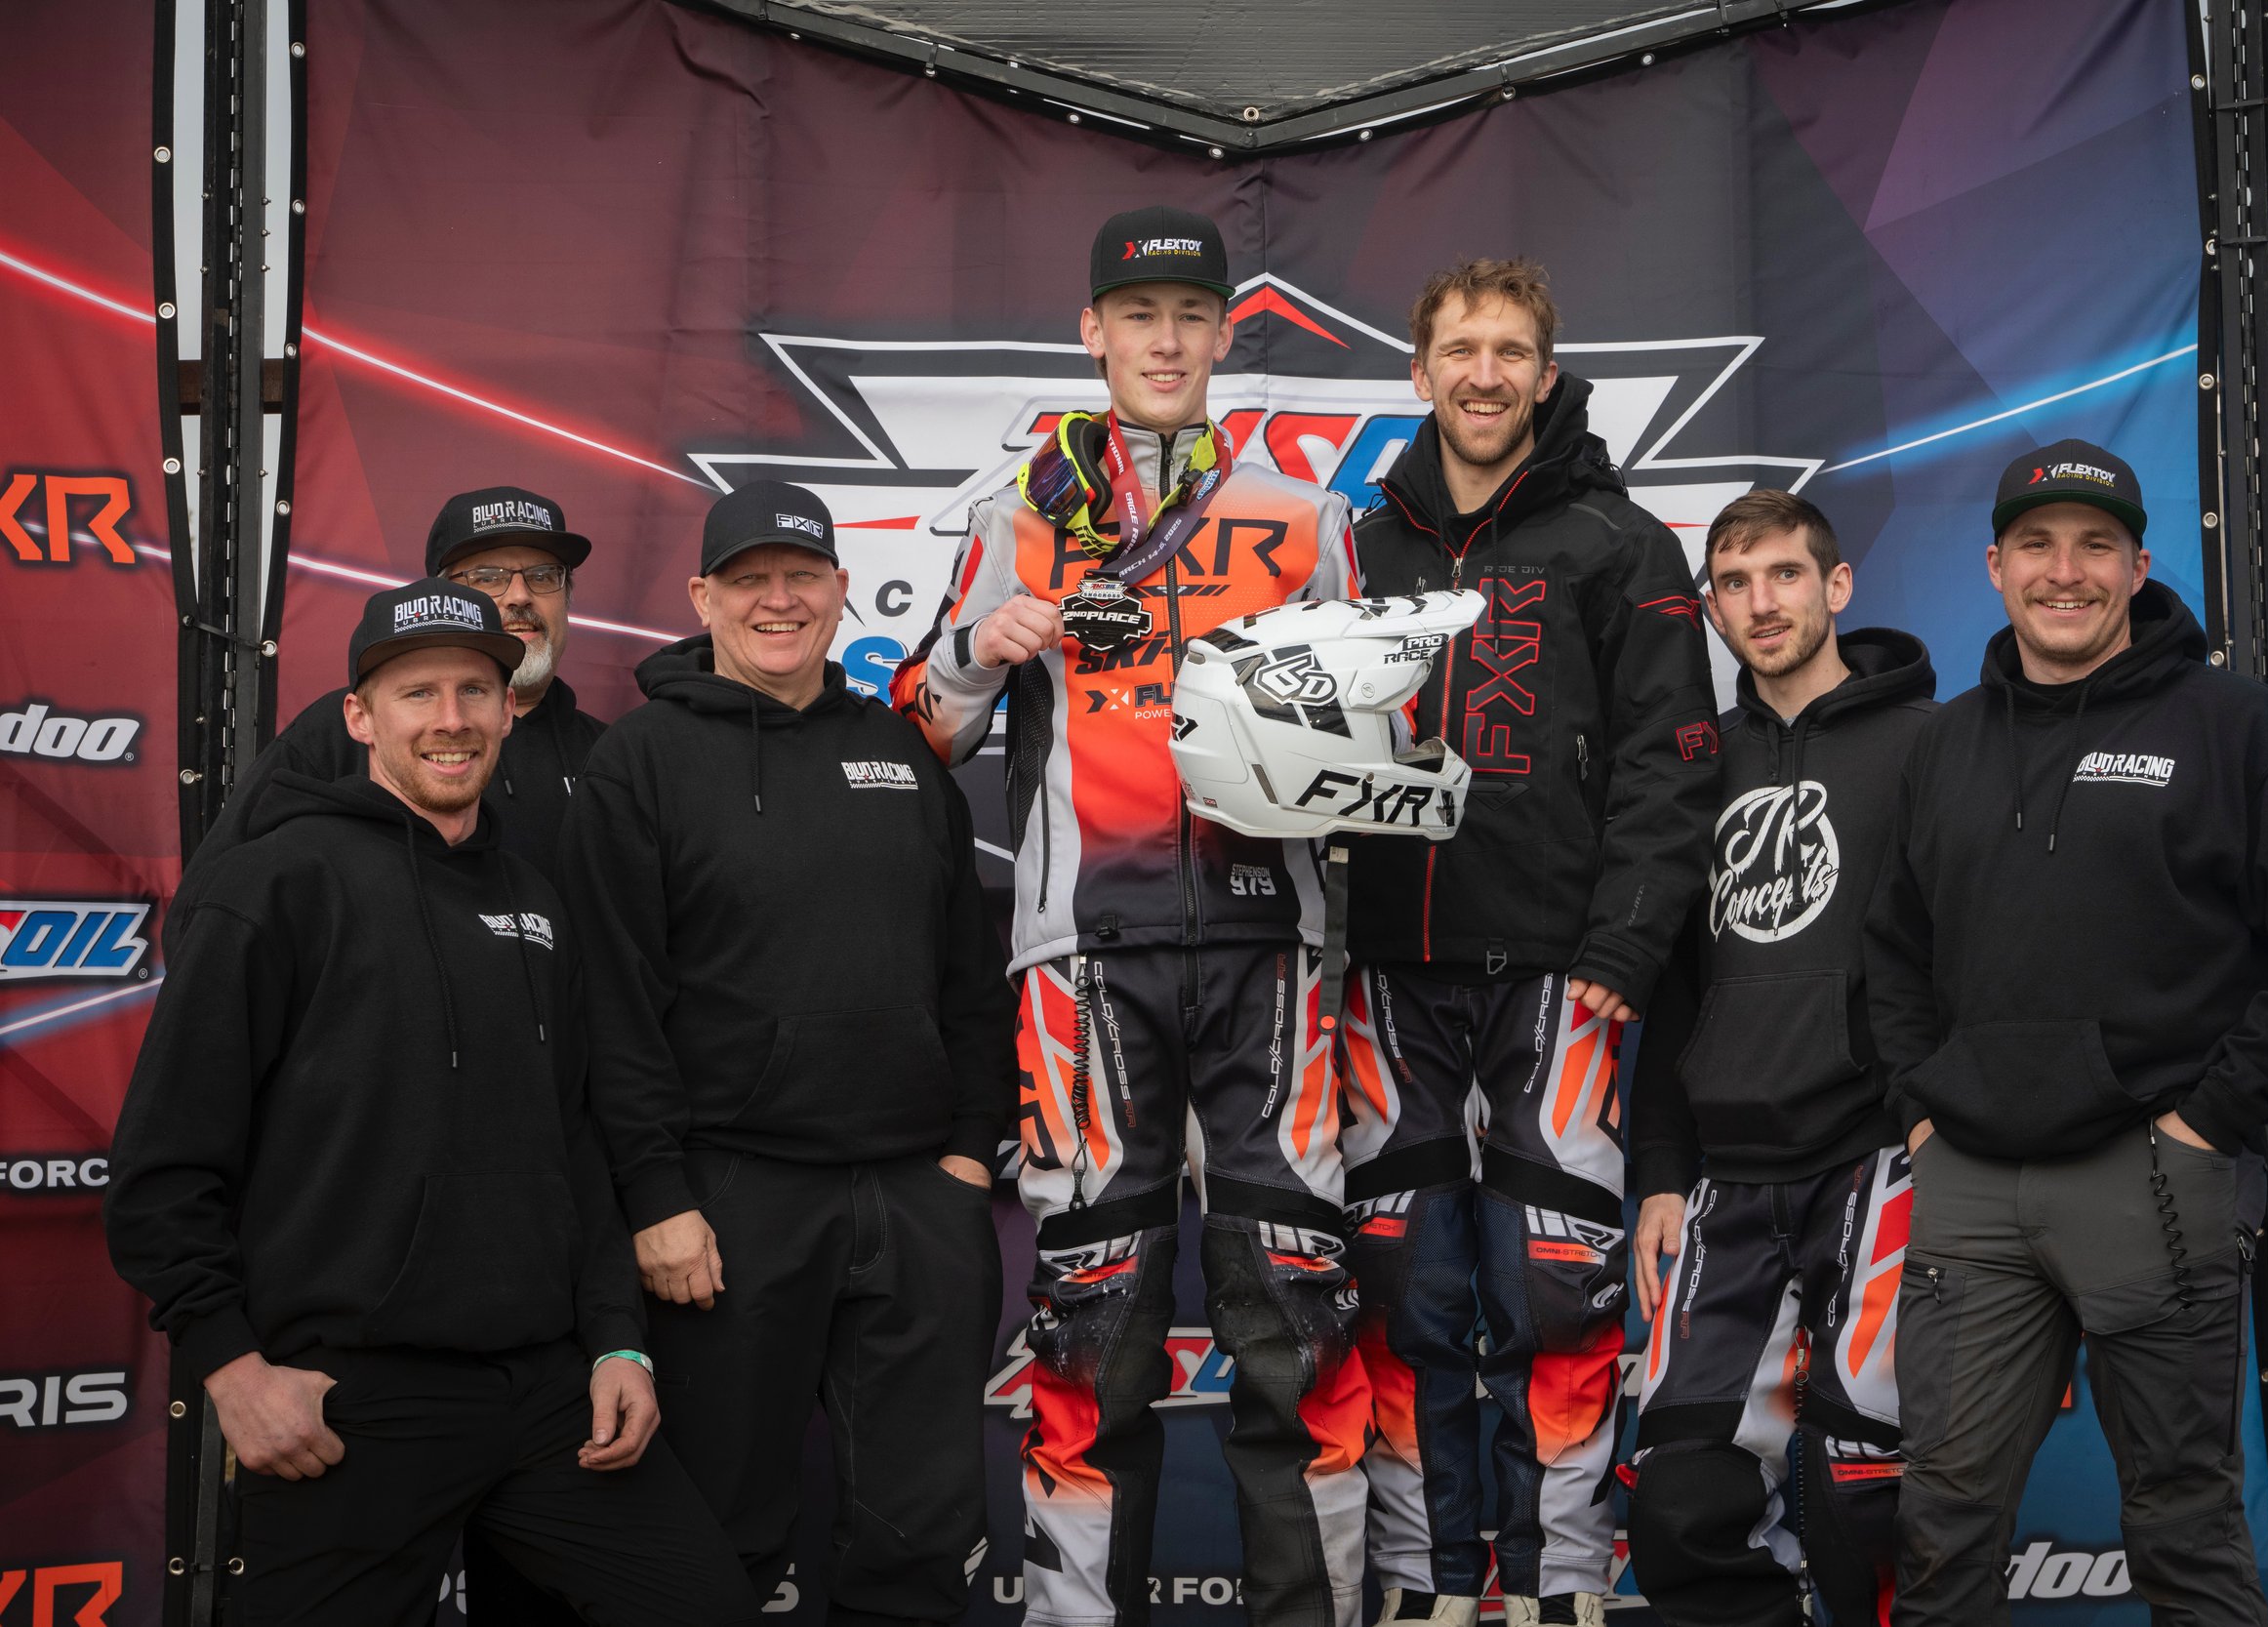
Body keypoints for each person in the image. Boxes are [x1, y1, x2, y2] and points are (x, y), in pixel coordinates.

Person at [103, 580, 755, 1627]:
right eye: (417, 693)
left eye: (474, 690)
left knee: (704, 1604)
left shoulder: (535, 901)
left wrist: (617, 1341)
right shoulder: (273, 885)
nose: (450, 718)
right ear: (360, 715)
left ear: (507, 709)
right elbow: (160, 1169)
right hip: (351, 1399)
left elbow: (573, 1143)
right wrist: (231, 1367)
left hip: (544, 1393)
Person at [889, 205, 1369, 1627]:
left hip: (1273, 955)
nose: (1165, 340)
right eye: (1137, 315)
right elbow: (918, 728)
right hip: (1080, 965)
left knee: (1299, 1308)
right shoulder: (1016, 514)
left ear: (1226, 335)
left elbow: (1366, 745)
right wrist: (982, 645)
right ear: (1092, 332)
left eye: (1191, 317)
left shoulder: (1305, 517)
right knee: (1092, 1321)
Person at [1864, 440, 2268, 1624]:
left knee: (2182, 1523)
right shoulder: (1942, 743)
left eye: (2095, 545)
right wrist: (1918, 1110)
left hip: (2155, 1182)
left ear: (2138, 563)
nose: (2067, 571)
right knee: (1941, 1522)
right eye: (2038, 545)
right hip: (1972, 1184)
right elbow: (1888, 953)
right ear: (1992, 564)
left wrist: (2207, 1120)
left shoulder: (2236, 727)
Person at [1333, 257, 1720, 1627]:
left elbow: (1676, 768)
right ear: (1420, 371)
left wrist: (1620, 952)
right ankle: (1423, 1584)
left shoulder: (1623, 543)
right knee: (1404, 1287)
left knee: (1555, 1288)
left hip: (1564, 976)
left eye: (1510, 351)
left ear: (1546, 375)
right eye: (1460, 348)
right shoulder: (1355, 544)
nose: (1485, 373)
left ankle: (1560, 1586)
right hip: (1381, 978)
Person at [559, 480, 1015, 1622]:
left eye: (801, 575)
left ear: (838, 590)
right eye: (751, 578)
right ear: (703, 595)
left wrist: (965, 1152)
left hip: (915, 1194)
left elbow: (967, 966)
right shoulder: (640, 761)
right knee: (721, 1529)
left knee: (922, 1532)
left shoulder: (897, 754)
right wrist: (657, 1196)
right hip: (728, 1199)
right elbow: (610, 1005)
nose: (779, 600)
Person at [1623, 489, 1935, 1625]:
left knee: (1877, 1496)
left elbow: (1972, 950)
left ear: (1835, 586)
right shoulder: (1690, 768)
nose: (1762, 602)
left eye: (1785, 575)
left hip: (1876, 1156)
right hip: (1725, 1170)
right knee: (1678, 1494)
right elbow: (1671, 985)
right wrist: (1659, 1168)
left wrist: (1935, 1121)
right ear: (1711, 605)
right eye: (1735, 582)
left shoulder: (1928, 742)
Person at [172, 484, 604, 938]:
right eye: (488, 576)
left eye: (542, 575)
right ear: (438, 593)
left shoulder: (612, 756)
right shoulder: (344, 731)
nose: (519, 596)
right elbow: (210, 915)